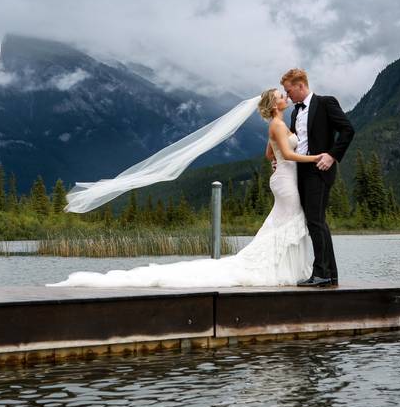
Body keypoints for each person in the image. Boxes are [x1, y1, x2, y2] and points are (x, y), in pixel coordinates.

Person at [48, 89, 322, 288]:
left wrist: (277, 160)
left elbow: (269, 154)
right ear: (274, 105)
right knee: (290, 222)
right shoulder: (276, 124)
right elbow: (286, 153)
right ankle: (282, 270)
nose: (285, 97)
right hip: (286, 181)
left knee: (282, 224)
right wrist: (316, 157)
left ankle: (283, 268)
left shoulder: (278, 124)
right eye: (281, 97)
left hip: (282, 178)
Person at [280, 68, 356, 287]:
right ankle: (330, 274)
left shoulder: (325, 103)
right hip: (300, 171)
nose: (287, 95)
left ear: (301, 85)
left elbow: (348, 130)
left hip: (320, 170)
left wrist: (332, 156)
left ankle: (320, 273)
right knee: (317, 221)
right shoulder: (295, 113)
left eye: (289, 90)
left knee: (315, 220)